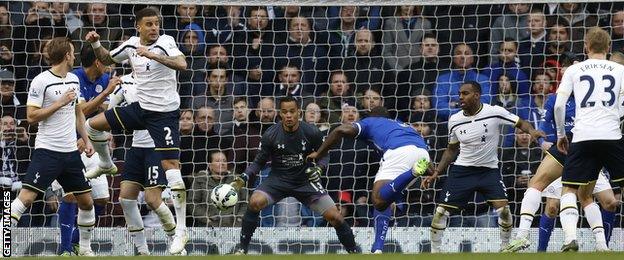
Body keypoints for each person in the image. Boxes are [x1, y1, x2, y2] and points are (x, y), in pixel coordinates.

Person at [82, 7, 188, 254]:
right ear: (138, 26)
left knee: (172, 169)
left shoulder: (165, 42)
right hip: (141, 111)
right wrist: (97, 44)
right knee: (92, 126)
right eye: (149, 24)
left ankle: (180, 231)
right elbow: (108, 59)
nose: (154, 28)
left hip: (163, 115)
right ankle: (107, 163)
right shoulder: (130, 45)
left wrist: (153, 56)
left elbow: (182, 64)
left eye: (156, 24)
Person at [230, 96, 359, 254]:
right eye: (285, 112)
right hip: (278, 180)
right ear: (280, 114)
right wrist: (244, 176)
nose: (289, 115)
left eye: (292, 111)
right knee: (254, 202)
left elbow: (324, 154)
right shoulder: (271, 134)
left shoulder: (311, 132)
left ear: (299, 112)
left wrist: (319, 168)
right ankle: (242, 248)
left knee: (336, 217)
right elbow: (259, 162)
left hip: (304, 181)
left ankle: (354, 253)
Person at [427, 81, 545, 253]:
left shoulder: (494, 112)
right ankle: (435, 251)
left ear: (476, 95)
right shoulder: (455, 120)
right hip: (463, 170)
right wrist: (437, 171)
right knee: (440, 212)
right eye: (460, 93)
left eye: (465, 93)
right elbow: (451, 149)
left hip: (489, 170)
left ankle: (506, 248)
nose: (460, 97)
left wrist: (532, 131)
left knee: (504, 211)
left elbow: (520, 122)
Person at [9, 37, 96, 256]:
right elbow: (31, 116)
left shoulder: (75, 80)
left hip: (70, 154)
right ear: (67, 55)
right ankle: (3, 240)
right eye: (73, 52)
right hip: (47, 151)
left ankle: (84, 249)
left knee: (86, 202)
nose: (74, 56)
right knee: (26, 198)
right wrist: (59, 103)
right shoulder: (41, 81)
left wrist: (86, 140)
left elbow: (77, 113)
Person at [503, 89, 618, 252]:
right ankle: (537, 244)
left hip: (578, 146)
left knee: (602, 200)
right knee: (554, 202)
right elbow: (547, 118)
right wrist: (542, 140)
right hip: (576, 147)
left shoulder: (588, 95)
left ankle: (597, 244)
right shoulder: (557, 98)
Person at [307, 105, 430, 253]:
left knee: (377, 199)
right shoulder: (403, 126)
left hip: (398, 153)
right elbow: (421, 154)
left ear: (372, 116)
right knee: (384, 202)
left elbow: (340, 130)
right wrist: (433, 172)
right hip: (423, 154)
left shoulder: (370, 122)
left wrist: (319, 153)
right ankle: (377, 249)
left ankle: (413, 173)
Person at [554, 27, 624, 252]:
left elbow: (558, 105)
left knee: (570, 189)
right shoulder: (620, 70)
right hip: (612, 135)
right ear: (609, 47)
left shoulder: (575, 70)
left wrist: (560, 135)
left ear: (585, 46)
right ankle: (600, 244)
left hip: (583, 136)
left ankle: (570, 238)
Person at [105, 73, 184, 255]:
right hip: (136, 147)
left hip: (156, 148)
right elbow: (110, 110)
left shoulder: (159, 79)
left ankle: (177, 243)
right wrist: (110, 95)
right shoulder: (124, 81)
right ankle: (142, 251)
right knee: (125, 199)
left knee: (152, 199)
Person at [56, 44, 120, 256]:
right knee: (72, 196)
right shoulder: (74, 78)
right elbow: (81, 110)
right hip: (68, 144)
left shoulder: (104, 79)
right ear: (97, 62)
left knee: (101, 199)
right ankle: (64, 249)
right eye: (106, 60)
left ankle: (75, 241)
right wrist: (106, 94)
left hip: (93, 144)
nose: (109, 64)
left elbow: (102, 111)